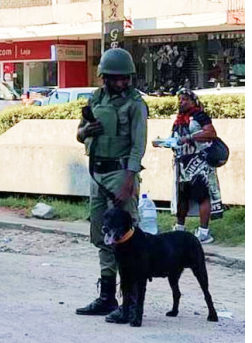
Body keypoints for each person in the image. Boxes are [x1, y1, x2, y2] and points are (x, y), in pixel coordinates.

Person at [75, 47, 149, 324]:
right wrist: (86, 132)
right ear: (104, 77)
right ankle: (107, 297)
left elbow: (138, 145)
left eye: (125, 78)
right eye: (116, 78)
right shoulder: (96, 99)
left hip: (121, 174)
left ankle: (130, 302)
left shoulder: (135, 104)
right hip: (98, 173)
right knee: (104, 235)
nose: (122, 83)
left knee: (126, 239)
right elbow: (79, 133)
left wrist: (128, 182)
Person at [155, 88, 218, 244]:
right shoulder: (179, 120)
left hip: (199, 164)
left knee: (202, 196)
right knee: (182, 197)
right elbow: (176, 139)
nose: (181, 102)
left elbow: (211, 133)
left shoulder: (200, 116)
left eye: (184, 100)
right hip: (182, 165)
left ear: (192, 101)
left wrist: (189, 137)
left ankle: (204, 232)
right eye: (180, 100)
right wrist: (163, 142)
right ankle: (180, 228)